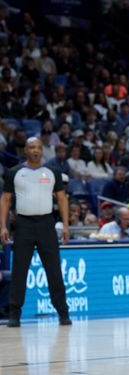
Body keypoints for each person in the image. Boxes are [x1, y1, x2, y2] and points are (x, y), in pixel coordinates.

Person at [0, 137, 71, 327]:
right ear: (26, 150)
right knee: (19, 271)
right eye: (32, 147)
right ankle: (14, 314)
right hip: (23, 224)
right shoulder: (14, 172)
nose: (36, 150)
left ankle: (63, 313)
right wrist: (3, 226)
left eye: (39, 147)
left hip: (47, 224)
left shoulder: (53, 172)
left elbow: (62, 199)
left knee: (54, 271)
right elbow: (5, 200)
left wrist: (65, 226)